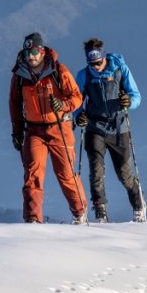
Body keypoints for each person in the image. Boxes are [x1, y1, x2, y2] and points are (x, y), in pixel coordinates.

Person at [9, 32, 88, 224]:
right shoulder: (19, 76)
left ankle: (79, 212)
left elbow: (77, 97)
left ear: (42, 51)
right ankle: (33, 220)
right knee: (32, 175)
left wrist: (64, 106)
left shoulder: (58, 70)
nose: (31, 56)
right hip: (33, 131)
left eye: (34, 51)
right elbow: (14, 105)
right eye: (27, 52)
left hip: (59, 128)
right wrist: (17, 133)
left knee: (66, 174)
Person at [73, 37, 146, 223]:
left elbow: (136, 96)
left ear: (104, 57)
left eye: (98, 63)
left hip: (118, 127)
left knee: (125, 174)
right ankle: (100, 212)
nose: (95, 67)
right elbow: (76, 102)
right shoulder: (83, 76)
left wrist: (128, 102)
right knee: (96, 170)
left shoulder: (120, 69)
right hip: (94, 127)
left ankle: (139, 205)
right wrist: (78, 116)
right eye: (91, 63)